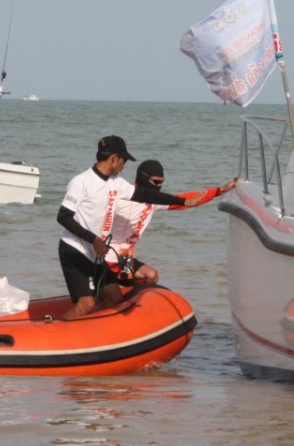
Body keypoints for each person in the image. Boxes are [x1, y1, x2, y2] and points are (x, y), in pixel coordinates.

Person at [56, 136, 213, 319]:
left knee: (115, 300)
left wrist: (182, 201)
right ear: (114, 158)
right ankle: (54, 335)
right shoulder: (82, 182)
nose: (124, 165)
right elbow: (63, 217)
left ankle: (86, 332)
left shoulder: (116, 183)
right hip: (75, 249)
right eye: (123, 160)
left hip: (95, 251)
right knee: (87, 303)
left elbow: (146, 195)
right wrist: (93, 239)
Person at [105, 160, 238, 286]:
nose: (159, 187)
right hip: (105, 257)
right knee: (109, 292)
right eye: (156, 182)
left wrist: (220, 191)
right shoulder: (121, 198)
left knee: (151, 276)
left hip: (124, 257)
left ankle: (129, 302)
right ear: (143, 178)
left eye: (161, 183)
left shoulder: (155, 201)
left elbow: (186, 199)